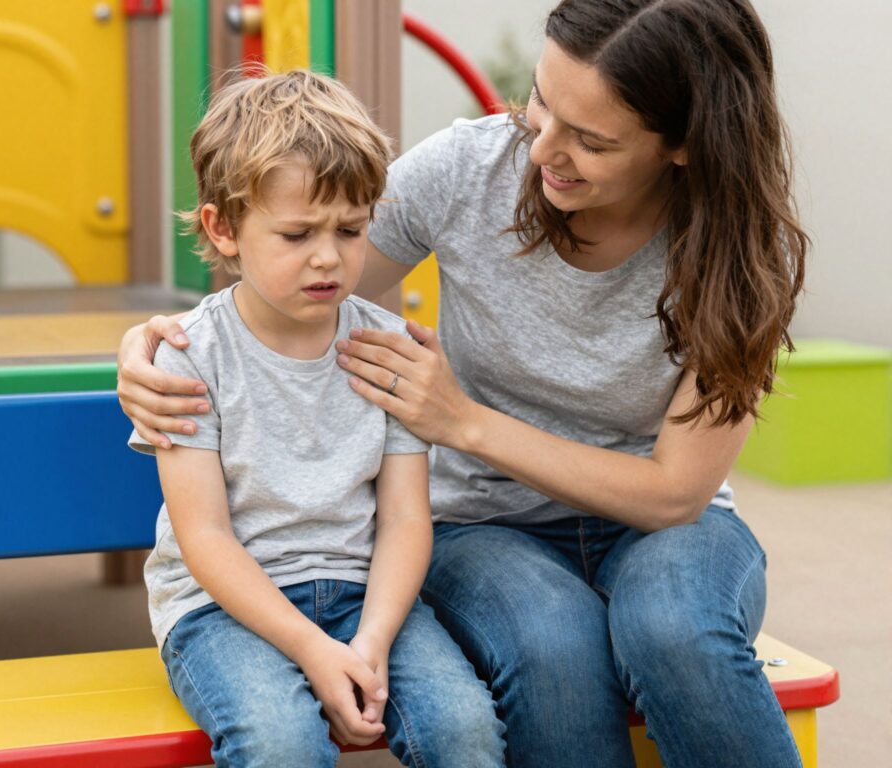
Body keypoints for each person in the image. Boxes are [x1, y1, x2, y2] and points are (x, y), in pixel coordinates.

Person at [119, 2, 808, 766]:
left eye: (591, 139)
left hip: (664, 526)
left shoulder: (742, 248)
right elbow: (292, 282)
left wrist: (463, 422)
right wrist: (147, 346)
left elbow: (676, 492)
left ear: (682, 145)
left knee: (675, 630)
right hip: (486, 525)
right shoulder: (469, 169)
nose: (544, 148)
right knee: (551, 648)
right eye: (541, 101)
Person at [127, 70, 506, 768]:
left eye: (351, 229)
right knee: (281, 745)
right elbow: (204, 535)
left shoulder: (385, 351)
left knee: (463, 728)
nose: (329, 256)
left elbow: (404, 519)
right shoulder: (192, 358)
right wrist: (311, 648)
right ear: (224, 228)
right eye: (297, 233)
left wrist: (371, 641)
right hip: (221, 612)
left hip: (367, 597)